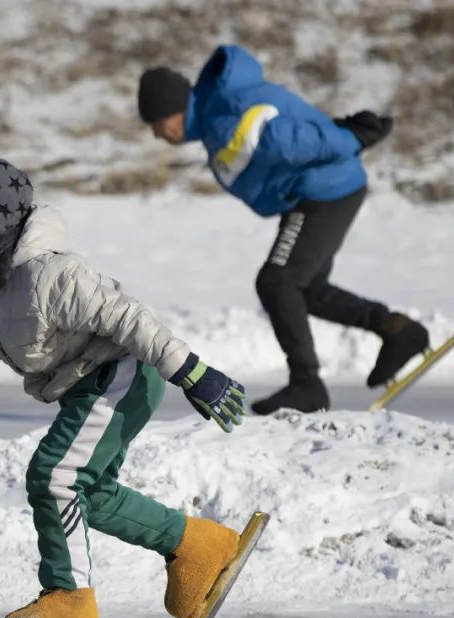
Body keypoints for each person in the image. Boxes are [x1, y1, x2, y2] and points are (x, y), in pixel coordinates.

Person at [0, 158, 247, 618]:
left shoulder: (53, 274)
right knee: (88, 492)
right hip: (89, 384)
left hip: (123, 372)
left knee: (55, 476)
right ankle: (198, 547)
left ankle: (69, 605)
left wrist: (189, 371)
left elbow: (129, 318)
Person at [138, 45, 430, 415]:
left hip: (325, 190)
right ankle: (398, 331)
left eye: (155, 124)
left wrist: (352, 138)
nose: (156, 135)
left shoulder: (221, 114)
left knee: (278, 281)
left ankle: (307, 384)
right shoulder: (216, 117)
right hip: (318, 192)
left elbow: (286, 140)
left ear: (172, 113)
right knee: (304, 288)